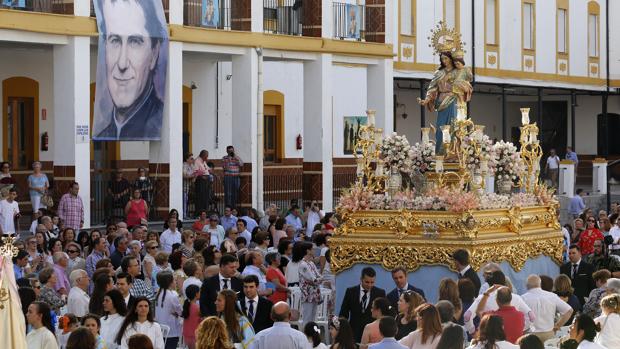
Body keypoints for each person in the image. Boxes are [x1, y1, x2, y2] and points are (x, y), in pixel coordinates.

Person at [93, 0, 166, 140]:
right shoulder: (105, 133)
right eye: (115, 40)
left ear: (154, 53)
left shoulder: (157, 125)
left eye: (134, 42)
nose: (122, 63)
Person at [340, 266, 387, 342]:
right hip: (353, 333)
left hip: (372, 334)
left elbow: (384, 314)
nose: (369, 285)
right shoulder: (350, 292)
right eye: (367, 282)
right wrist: (343, 331)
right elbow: (343, 313)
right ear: (361, 279)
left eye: (372, 282)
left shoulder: (380, 293)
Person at [521, 274, 573, 342]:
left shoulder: (522, 298)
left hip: (529, 335)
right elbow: (569, 310)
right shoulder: (552, 296)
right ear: (540, 284)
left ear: (526, 286)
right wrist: (558, 325)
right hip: (548, 333)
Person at [154, 271, 183, 349]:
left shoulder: (158, 293)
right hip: (171, 330)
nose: (175, 282)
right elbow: (180, 312)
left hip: (161, 328)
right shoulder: (172, 296)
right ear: (170, 282)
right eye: (174, 280)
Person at [182, 284, 202, 349]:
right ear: (196, 294)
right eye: (199, 292)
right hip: (194, 335)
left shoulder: (187, 305)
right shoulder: (196, 307)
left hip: (186, 334)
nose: (200, 293)